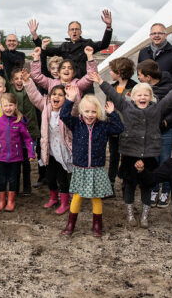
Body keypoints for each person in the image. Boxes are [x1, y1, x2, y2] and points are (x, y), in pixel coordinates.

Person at [92, 70, 172, 229]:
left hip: (149, 154)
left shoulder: (157, 109)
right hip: (129, 153)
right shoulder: (125, 106)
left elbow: (170, 98)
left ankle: (145, 215)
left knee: (147, 185)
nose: (142, 97)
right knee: (129, 185)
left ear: (151, 97)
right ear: (132, 96)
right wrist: (100, 81)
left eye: (146, 95)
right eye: (139, 95)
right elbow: (113, 93)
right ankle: (130, 212)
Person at [59, 89, 124, 237]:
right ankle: (70, 224)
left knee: (96, 197)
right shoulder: (76, 124)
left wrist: (113, 113)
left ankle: (97, 225)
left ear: (98, 112)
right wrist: (69, 100)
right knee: (77, 196)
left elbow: (119, 128)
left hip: (97, 168)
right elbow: (63, 115)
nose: (90, 115)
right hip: (80, 168)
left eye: (93, 112)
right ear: (81, 111)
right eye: (87, 111)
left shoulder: (102, 126)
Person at [136, 60, 172, 207]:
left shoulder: (170, 88)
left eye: (140, 75)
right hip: (150, 132)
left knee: (165, 161)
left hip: (166, 131)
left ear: (148, 76)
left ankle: (165, 191)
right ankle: (154, 189)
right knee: (153, 161)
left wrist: (167, 121)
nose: (138, 78)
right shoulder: (144, 89)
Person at [26, 79, 75, 215]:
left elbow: (75, 109)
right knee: (50, 177)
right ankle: (53, 198)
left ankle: (64, 202)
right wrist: (27, 82)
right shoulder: (46, 108)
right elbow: (35, 96)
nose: (56, 97)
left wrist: (72, 97)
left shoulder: (68, 112)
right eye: (54, 94)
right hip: (49, 150)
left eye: (60, 95)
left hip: (63, 150)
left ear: (65, 98)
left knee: (62, 177)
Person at [28, 12, 112, 87]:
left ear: (80, 32)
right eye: (72, 29)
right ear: (68, 32)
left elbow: (104, 44)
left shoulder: (88, 44)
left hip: (85, 83)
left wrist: (108, 27)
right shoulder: (64, 46)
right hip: (69, 84)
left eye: (77, 29)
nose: (74, 31)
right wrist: (35, 35)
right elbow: (46, 50)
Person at [0, 93, 36, 212]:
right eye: (5, 105)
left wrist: (31, 153)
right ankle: (2, 201)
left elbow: (28, 139)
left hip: (16, 158)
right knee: (1, 179)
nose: (8, 108)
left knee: (13, 179)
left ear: (15, 106)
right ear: (1, 107)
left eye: (10, 105)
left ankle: (11, 201)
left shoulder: (19, 122)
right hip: (1, 157)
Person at [4, 68, 40, 196]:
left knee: (26, 161)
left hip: (29, 130)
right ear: (12, 81)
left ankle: (27, 187)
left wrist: (28, 79)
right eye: (16, 78)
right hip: (14, 132)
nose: (19, 81)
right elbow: (3, 77)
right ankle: (15, 187)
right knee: (15, 162)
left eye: (21, 78)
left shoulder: (29, 89)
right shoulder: (10, 90)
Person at [106, 57, 137, 195]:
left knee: (127, 158)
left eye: (112, 70)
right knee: (113, 157)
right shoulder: (111, 88)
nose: (110, 73)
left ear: (119, 72)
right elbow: (107, 106)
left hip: (129, 130)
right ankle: (110, 185)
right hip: (113, 129)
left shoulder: (135, 88)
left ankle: (126, 184)